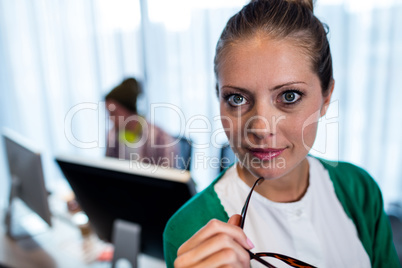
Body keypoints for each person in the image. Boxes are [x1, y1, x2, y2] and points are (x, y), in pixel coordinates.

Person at [163, 0, 400, 267]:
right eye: (237, 99)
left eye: (289, 96)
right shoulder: (189, 232)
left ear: (326, 97)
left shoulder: (359, 189)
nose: (261, 129)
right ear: (218, 97)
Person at [105, 78, 179, 168]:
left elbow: (168, 176)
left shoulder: (160, 138)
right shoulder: (112, 136)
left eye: (113, 113)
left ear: (128, 110)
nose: (110, 118)